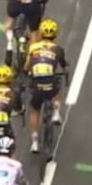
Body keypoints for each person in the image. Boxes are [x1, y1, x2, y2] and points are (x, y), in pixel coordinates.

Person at [22, 18, 69, 154]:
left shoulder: (33, 47)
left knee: (35, 109)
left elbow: (26, 68)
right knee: (55, 91)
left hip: (36, 82)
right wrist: (66, 75)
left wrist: (25, 76)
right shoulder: (58, 50)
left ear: (41, 34)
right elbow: (64, 67)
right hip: (50, 80)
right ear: (55, 35)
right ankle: (55, 112)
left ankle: (35, 142)